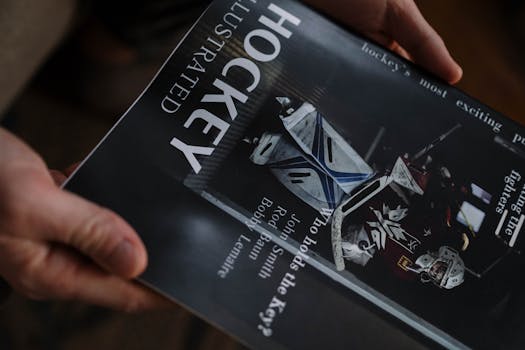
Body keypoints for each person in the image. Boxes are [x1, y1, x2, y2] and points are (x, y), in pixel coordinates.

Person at [0, 0, 462, 312]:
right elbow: (395, 181)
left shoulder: (387, 264)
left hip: (320, 190)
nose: (432, 267)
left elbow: (340, 255)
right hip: (343, 168)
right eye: (442, 265)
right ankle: (107, 61)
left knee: (128, 82)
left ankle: (110, 53)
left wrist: (354, 227)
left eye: (435, 277)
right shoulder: (413, 224)